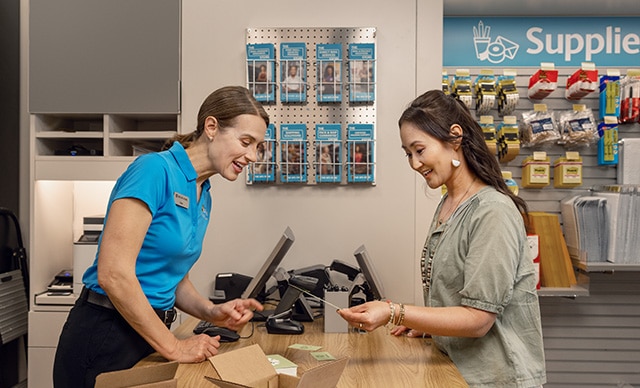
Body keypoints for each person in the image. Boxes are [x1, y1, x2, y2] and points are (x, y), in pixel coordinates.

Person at [53, 86, 268, 387]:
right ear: (211, 127)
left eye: (257, 146)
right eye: (246, 142)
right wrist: (174, 346)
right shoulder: (155, 170)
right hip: (106, 333)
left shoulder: (202, 193)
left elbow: (173, 277)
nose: (252, 156)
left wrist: (212, 311)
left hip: (146, 334)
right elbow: (113, 274)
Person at [338, 90, 546, 387]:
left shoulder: (492, 212)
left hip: (496, 379)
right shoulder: (449, 203)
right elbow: (458, 297)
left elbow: (478, 319)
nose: (413, 163)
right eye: (407, 153)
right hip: (457, 371)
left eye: (419, 150)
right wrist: (432, 326)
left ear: (455, 137)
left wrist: (394, 312)